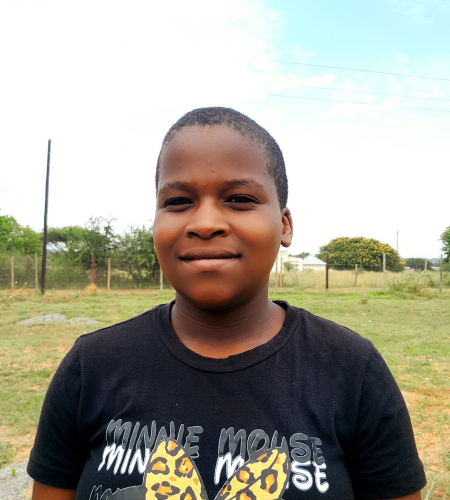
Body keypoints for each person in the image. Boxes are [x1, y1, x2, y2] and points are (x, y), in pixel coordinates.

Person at [28, 107, 426, 500]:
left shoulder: (352, 371)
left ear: (284, 225)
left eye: (239, 198)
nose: (204, 223)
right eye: (178, 201)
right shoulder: (91, 366)